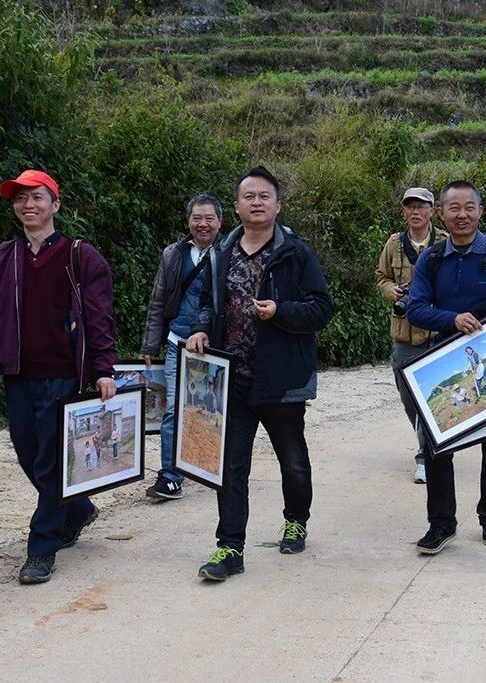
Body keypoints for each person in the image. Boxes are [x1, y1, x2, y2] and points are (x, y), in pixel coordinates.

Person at [0, 169, 117, 584]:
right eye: (20, 199)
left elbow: (99, 319)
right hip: (18, 375)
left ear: (55, 204)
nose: (28, 205)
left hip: (63, 376)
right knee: (29, 454)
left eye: (37, 197)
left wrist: (103, 369)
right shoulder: (4, 258)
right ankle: (78, 509)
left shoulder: (81, 256)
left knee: (49, 461)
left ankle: (41, 548)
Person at [187, 167, 334, 581]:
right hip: (231, 378)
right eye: (248, 196)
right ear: (236, 206)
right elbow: (204, 303)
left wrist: (281, 311)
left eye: (264, 196)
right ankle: (230, 548)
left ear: (278, 205)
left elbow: (322, 308)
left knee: (292, 459)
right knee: (231, 466)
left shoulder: (297, 253)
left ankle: (296, 519)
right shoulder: (220, 254)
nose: (256, 202)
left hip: (281, 378)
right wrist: (200, 328)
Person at [405, 180, 486, 554]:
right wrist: (452, 319)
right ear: (440, 213)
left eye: (469, 207)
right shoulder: (432, 259)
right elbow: (415, 308)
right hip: (441, 357)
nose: (462, 215)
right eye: (454, 208)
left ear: (480, 210)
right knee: (436, 447)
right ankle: (441, 524)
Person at [140, 193, 224, 501]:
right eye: (196, 218)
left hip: (217, 349)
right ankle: (170, 476)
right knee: (176, 408)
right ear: (188, 221)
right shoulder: (173, 253)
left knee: (213, 412)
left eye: (209, 218)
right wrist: (150, 342)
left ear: (220, 221)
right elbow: (158, 299)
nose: (203, 224)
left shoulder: (230, 253)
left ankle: (209, 464)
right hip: (178, 343)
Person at [376, 187, 447, 484]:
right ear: (404, 211)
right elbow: (382, 277)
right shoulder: (394, 244)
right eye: (410, 207)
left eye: (421, 206)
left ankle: (425, 455)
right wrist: (392, 291)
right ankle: (428, 443)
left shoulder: (445, 242)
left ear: (432, 210)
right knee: (409, 398)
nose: (415, 212)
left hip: (437, 330)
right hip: (405, 333)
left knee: (431, 397)